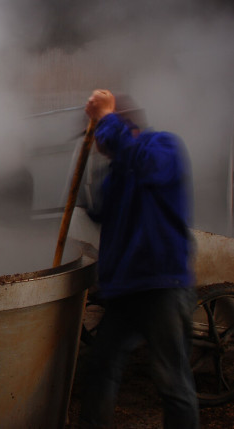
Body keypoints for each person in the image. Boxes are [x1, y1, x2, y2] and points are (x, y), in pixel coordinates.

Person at [79, 89, 199, 428]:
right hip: (125, 290)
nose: (99, 140)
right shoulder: (118, 168)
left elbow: (146, 167)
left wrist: (106, 118)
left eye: (101, 130)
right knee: (100, 367)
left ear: (123, 122)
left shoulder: (163, 147)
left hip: (162, 284)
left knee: (172, 381)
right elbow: (102, 212)